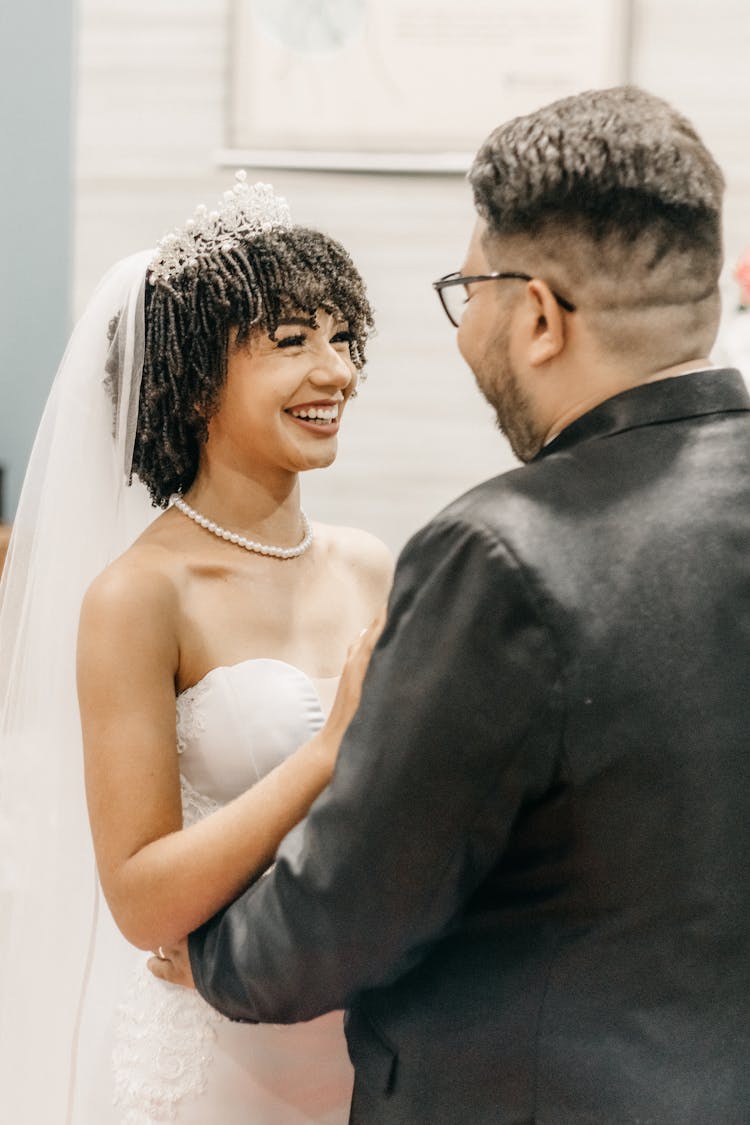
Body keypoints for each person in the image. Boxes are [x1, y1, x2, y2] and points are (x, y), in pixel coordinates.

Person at [157, 87, 750, 1123]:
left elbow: (352, 907)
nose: (465, 324)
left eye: (467, 289)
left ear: (536, 317)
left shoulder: (501, 555)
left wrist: (209, 956)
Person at [0, 175, 392, 1122]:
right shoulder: (141, 593)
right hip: (214, 1049)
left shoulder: (370, 565)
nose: (334, 371)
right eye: (292, 341)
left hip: (365, 1033)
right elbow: (140, 898)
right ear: (196, 380)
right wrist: (329, 754)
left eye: (343, 338)